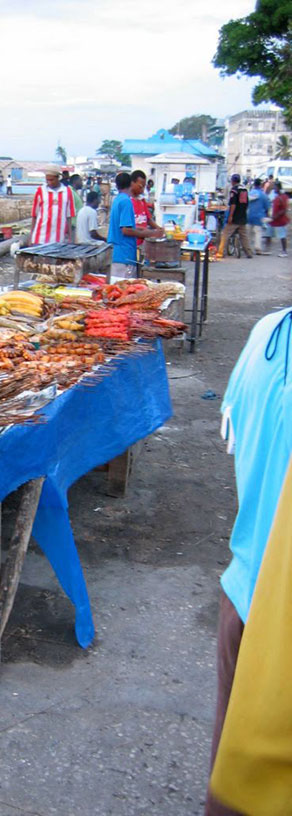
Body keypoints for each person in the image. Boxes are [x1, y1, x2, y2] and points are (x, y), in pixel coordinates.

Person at [205, 306, 292, 815]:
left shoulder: (268, 330)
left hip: (242, 590)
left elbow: (235, 439)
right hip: (275, 621)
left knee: (234, 780)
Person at [106, 172, 163, 278]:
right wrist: (151, 233)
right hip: (124, 255)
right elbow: (126, 230)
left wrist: (144, 230)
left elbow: (126, 227)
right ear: (131, 184)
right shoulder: (126, 201)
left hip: (117, 253)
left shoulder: (118, 199)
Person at [30, 164, 76, 245]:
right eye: (47, 180)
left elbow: (69, 216)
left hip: (59, 239)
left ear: (58, 178)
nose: (49, 182)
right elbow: (34, 215)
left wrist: (70, 237)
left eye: (52, 180)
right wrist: (31, 237)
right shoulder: (40, 191)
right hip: (40, 238)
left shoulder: (67, 192)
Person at [216, 174, 252, 260]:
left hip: (235, 217)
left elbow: (233, 204)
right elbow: (247, 203)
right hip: (243, 216)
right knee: (244, 236)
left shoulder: (234, 190)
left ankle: (220, 252)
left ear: (233, 181)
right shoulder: (244, 189)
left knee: (225, 234)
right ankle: (249, 253)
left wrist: (230, 216)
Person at [129, 170, 162, 247]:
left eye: (144, 187)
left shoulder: (142, 200)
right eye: (140, 186)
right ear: (132, 183)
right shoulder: (127, 201)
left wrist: (159, 228)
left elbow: (148, 219)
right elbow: (127, 228)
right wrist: (148, 232)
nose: (143, 190)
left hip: (143, 242)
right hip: (131, 242)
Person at [247, 178, 270, 255]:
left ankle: (248, 248)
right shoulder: (263, 195)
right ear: (260, 185)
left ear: (254, 184)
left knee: (249, 233)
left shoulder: (250, 193)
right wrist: (267, 215)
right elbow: (267, 207)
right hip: (259, 216)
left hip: (249, 215)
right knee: (258, 232)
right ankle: (257, 248)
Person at [270, 180, 289, 258]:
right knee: (281, 235)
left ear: (278, 188)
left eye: (275, 187)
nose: (274, 188)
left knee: (282, 236)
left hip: (281, 220)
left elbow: (284, 210)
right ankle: (283, 250)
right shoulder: (279, 196)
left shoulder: (282, 197)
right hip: (278, 220)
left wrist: (275, 216)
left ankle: (284, 251)